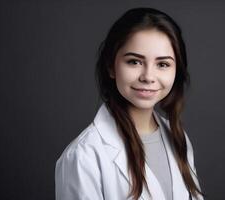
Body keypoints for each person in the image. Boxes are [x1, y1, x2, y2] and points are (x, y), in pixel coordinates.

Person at [55, 7, 204, 200]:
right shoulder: (83, 156)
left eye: (163, 64)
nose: (148, 77)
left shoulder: (178, 138)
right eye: (134, 62)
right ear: (111, 66)